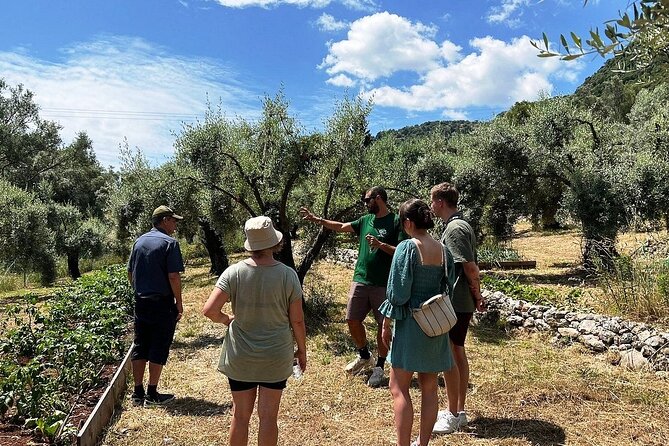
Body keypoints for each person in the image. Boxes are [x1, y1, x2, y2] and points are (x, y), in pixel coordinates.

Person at [202, 216, 306, 446]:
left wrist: (227, 319)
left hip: (241, 357)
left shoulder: (233, 272)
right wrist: (301, 351)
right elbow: (297, 321)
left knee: (240, 417)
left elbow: (209, 310)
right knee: (268, 419)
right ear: (274, 243)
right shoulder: (288, 275)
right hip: (276, 355)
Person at [299, 186, 405, 387]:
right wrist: (318, 220)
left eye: (367, 200)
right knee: (352, 319)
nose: (365, 204)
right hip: (361, 279)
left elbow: (401, 251)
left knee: (383, 326)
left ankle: (380, 367)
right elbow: (340, 226)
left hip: (383, 283)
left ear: (379, 198)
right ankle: (365, 355)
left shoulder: (396, 222)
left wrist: (380, 244)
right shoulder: (365, 221)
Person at [379, 198, 456, 446]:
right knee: (430, 388)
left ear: (409, 222)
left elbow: (397, 294)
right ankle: (422, 443)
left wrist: (386, 322)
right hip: (435, 327)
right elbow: (449, 289)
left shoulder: (407, 248)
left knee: (398, 387)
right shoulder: (443, 250)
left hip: (411, 326)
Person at [429, 183, 486, 434]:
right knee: (457, 351)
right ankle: (459, 410)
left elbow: (470, 268)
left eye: (432, 201)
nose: (431, 206)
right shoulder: (458, 225)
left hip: (456, 302)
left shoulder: (454, 229)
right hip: (460, 301)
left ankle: (453, 414)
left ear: (441, 202)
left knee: (451, 355)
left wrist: (477, 294)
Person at [127, 205, 185, 406]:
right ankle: (152, 393)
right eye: (174, 220)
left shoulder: (139, 242)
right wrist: (179, 302)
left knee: (141, 343)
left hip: (141, 302)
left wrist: (140, 289)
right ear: (165, 220)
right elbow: (173, 276)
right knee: (159, 344)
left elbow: (130, 274)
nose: (175, 224)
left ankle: (137, 393)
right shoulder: (170, 243)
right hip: (162, 303)